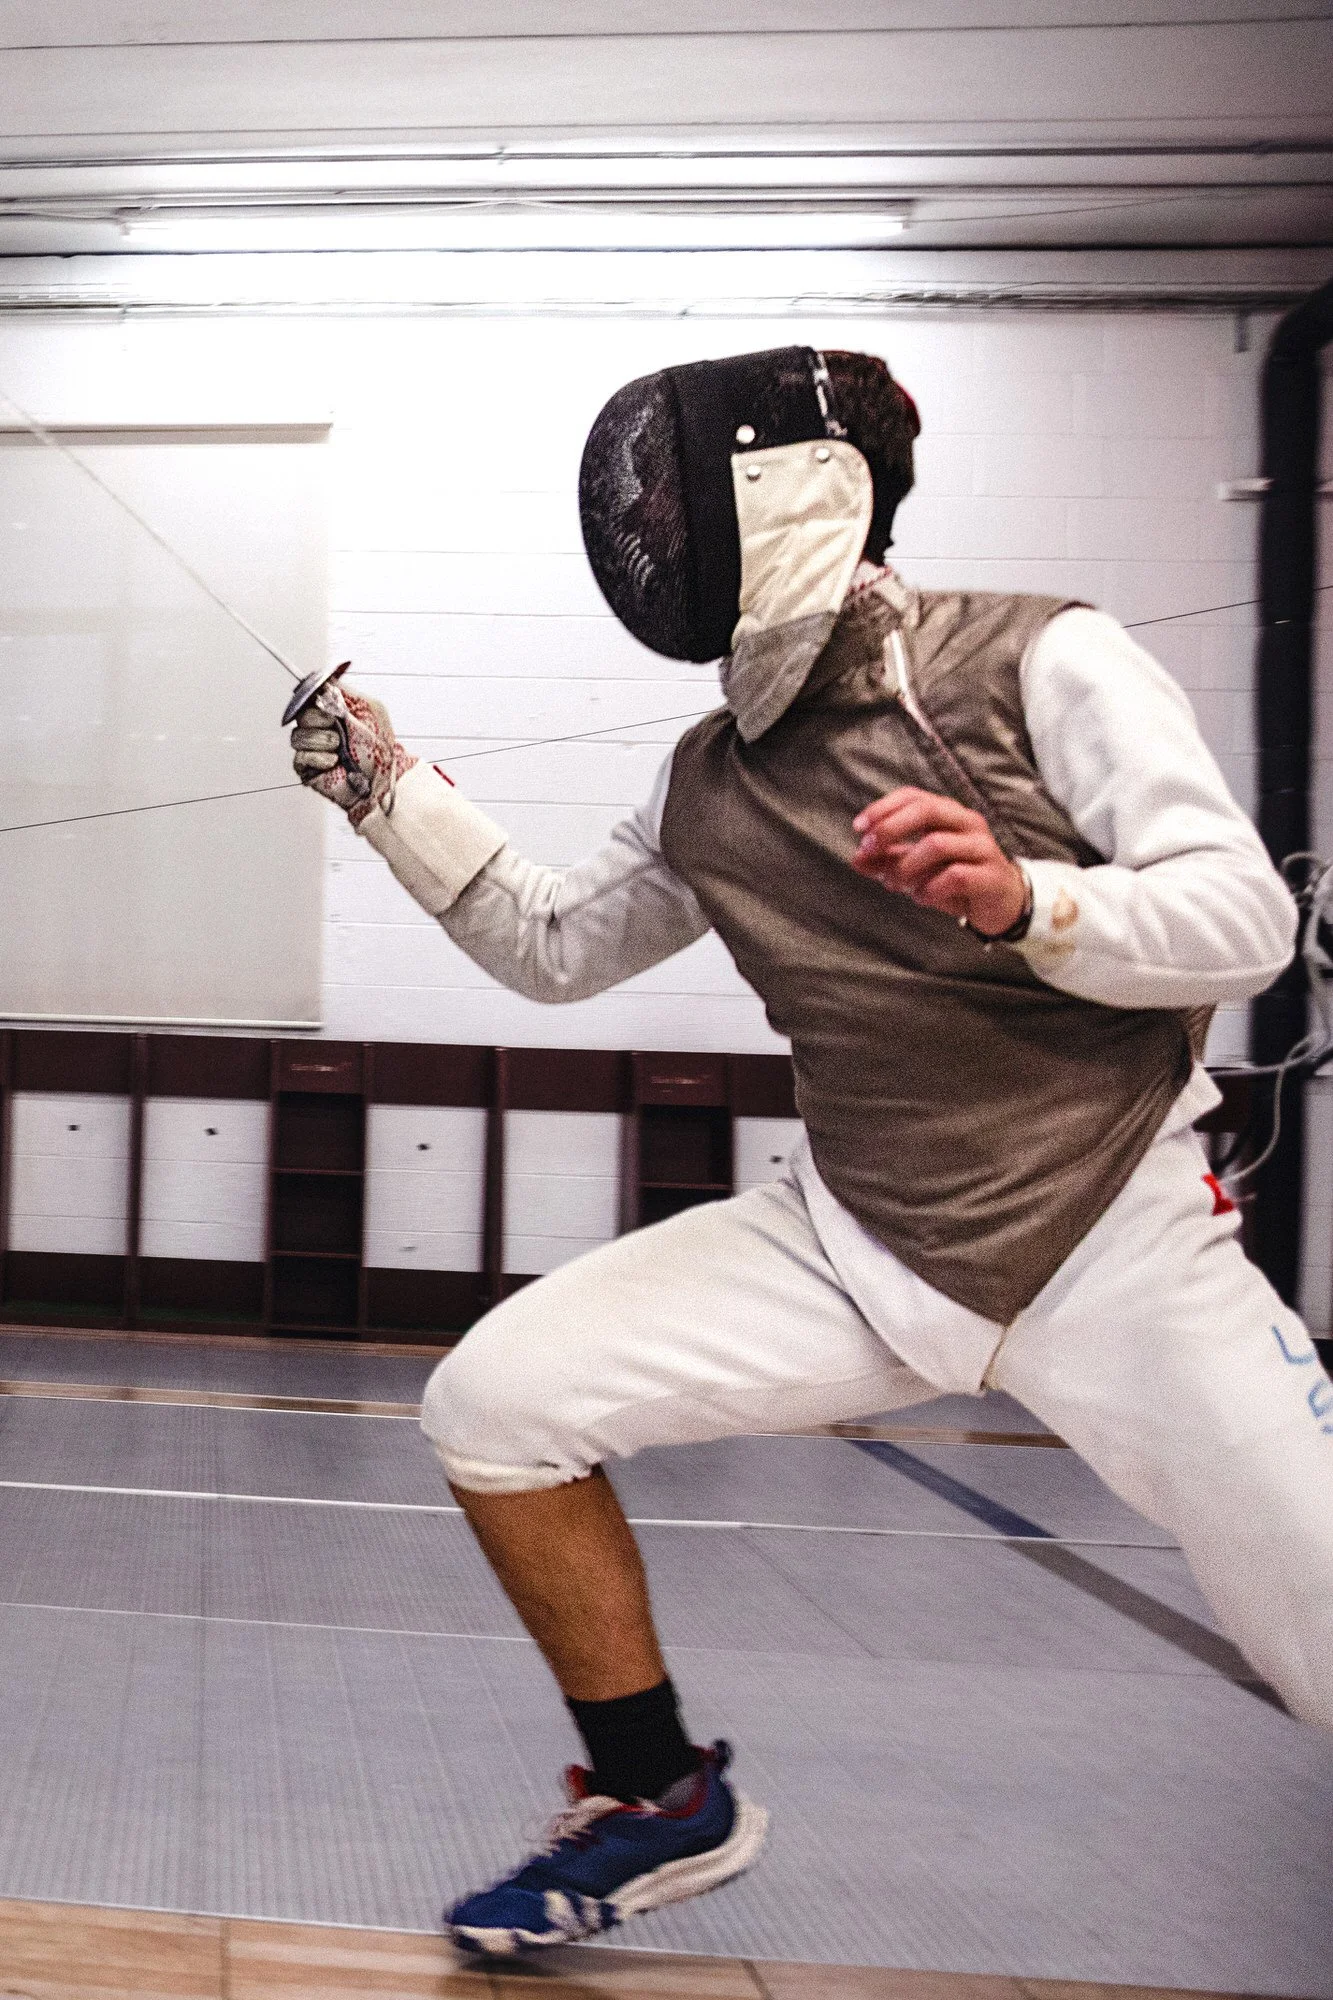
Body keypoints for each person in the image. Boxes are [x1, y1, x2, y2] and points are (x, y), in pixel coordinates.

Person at [290, 346, 1333, 1959]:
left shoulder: (1043, 660)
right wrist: (387, 789)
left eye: (666, 488)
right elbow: (555, 942)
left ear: (790, 484)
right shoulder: (712, 780)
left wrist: (1033, 898)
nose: (644, 522)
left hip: (1112, 1237)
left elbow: (1245, 923)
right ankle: (656, 1800)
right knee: (495, 1405)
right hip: (855, 1242)